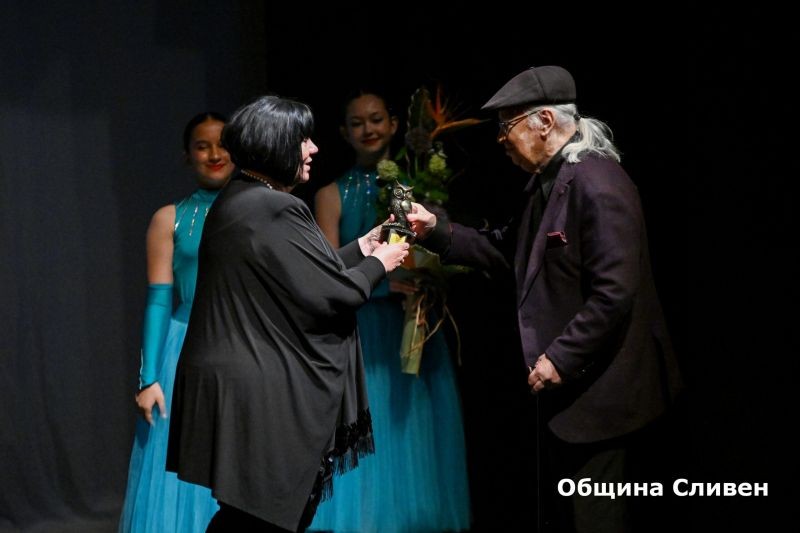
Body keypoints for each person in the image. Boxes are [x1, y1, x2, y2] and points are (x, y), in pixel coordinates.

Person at [407, 66, 683, 533]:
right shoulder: (550, 181)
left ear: (545, 122)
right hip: (570, 395)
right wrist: (436, 231)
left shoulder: (598, 183)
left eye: (507, 126)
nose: (500, 139)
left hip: (604, 393)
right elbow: (507, 251)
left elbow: (615, 292)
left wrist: (560, 357)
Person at [165, 95, 410, 532]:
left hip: (238, 379)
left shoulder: (242, 197)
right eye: (303, 139)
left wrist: (364, 246)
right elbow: (333, 294)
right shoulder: (275, 207)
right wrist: (382, 262)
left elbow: (306, 273)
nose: (313, 148)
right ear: (277, 143)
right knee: (261, 518)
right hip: (257, 384)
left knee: (249, 515)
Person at [309, 91, 471, 532]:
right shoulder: (330, 194)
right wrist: (382, 285)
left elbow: (438, 245)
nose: (368, 129)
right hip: (366, 327)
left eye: (376, 119)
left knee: (412, 427)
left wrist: (430, 278)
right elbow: (329, 272)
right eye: (357, 122)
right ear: (344, 133)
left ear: (394, 125)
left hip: (413, 322)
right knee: (372, 423)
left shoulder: (417, 184)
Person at [119, 111, 234, 533]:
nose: (215, 153)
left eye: (223, 144)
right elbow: (158, 298)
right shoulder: (169, 218)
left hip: (246, 344)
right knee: (186, 468)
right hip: (187, 348)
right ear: (188, 156)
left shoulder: (262, 210)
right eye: (203, 146)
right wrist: (148, 378)